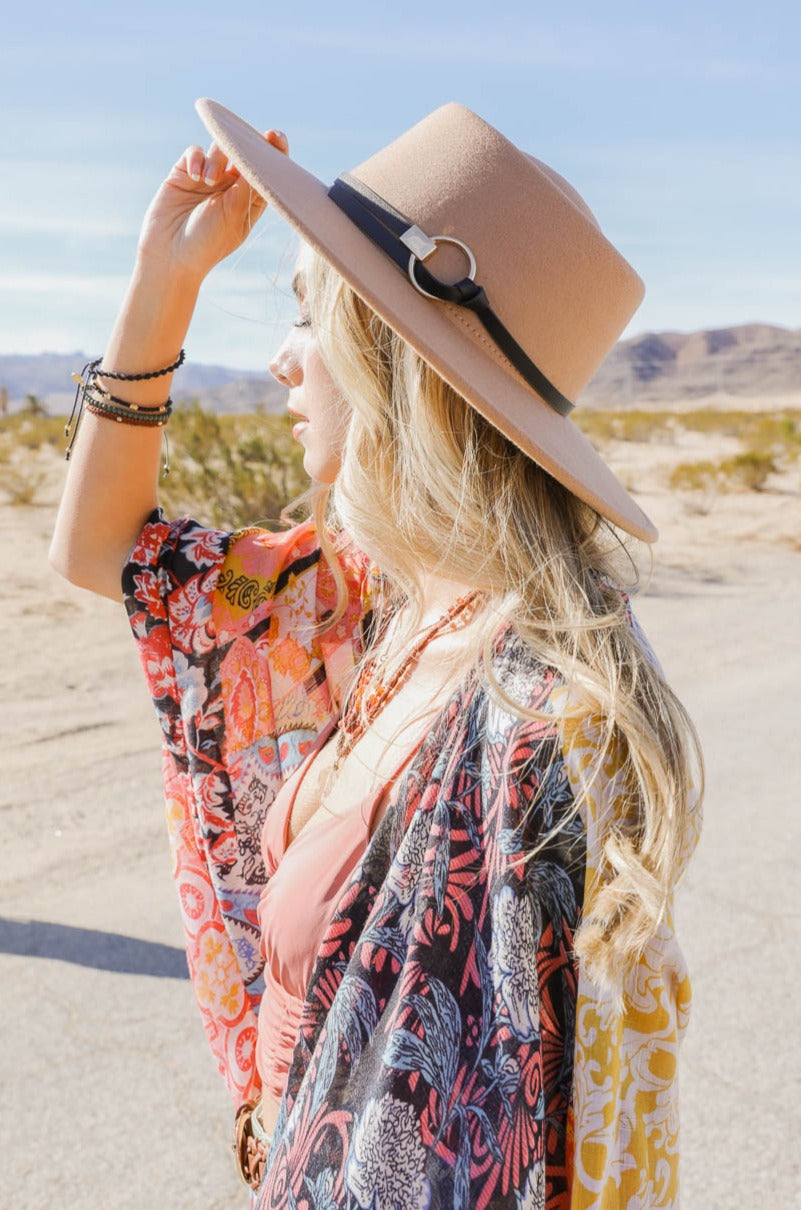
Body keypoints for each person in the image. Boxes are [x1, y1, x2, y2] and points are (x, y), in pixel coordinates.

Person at [50, 99, 704, 1209]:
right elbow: (112, 551)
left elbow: (502, 1143)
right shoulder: (384, 595)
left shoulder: (541, 719)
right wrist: (167, 280)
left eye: (311, 319)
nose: (278, 363)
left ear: (397, 363)